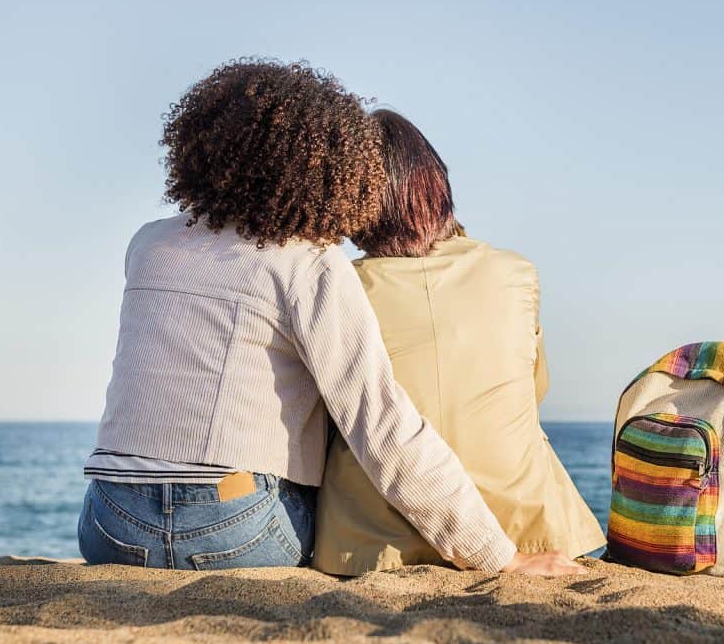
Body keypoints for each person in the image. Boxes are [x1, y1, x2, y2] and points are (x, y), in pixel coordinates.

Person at [77, 59, 583, 576]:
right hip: (233, 528)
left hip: (111, 523)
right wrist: (500, 557)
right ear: (324, 170)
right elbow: (383, 427)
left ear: (204, 148)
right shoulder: (308, 264)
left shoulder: (147, 243)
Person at [312, 109, 606, 575]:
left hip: (372, 539)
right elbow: (533, 390)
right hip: (521, 525)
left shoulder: (340, 286)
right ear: (437, 185)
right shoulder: (516, 273)